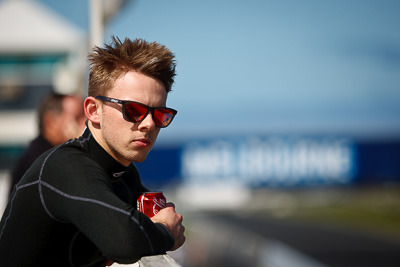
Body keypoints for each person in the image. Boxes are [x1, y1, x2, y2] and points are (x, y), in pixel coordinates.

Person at [0, 37, 185, 266]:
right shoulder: (64, 166)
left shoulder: (125, 175)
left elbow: (139, 223)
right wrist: (166, 230)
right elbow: (124, 241)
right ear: (93, 110)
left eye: (159, 115)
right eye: (134, 110)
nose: (149, 124)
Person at [8, 93, 86, 197]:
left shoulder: (53, 153)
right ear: (50, 122)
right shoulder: (41, 161)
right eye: (77, 117)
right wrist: (81, 144)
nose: (85, 122)